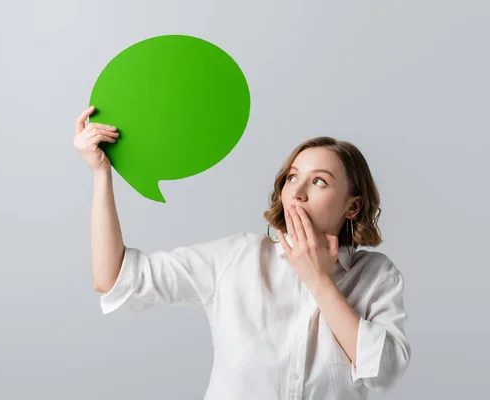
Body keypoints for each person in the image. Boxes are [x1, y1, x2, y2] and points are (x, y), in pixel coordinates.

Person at [74, 107, 411, 400]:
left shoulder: (376, 276)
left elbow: (384, 371)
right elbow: (113, 277)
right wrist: (101, 173)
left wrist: (319, 280)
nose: (299, 192)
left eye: (319, 181)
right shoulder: (238, 258)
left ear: (352, 206)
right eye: (292, 178)